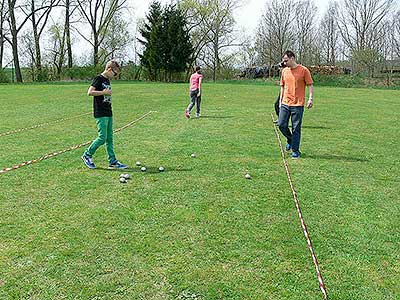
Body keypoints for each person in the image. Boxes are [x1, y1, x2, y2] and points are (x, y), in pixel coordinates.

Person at [81, 60, 128, 169]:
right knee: (102, 137)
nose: (115, 76)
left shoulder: (107, 80)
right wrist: (104, 92)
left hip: (108, 111)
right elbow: (90, 92)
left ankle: (113, 161)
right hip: (100, 112)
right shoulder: (99, 78)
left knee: (109, 138)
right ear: (109, 69)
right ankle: (87, 155)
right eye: (115, 74)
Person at [278, 50, 314, 159]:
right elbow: (282, 86)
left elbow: (310, 85)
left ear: (292, 58)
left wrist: (310, 99)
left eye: (286, 60)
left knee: (296, 128)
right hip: (285, 103)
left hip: (298, 104)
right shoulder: (284, 71)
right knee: (281, 124)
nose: (284, 63)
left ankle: (296, 150)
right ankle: (290, 139)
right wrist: (280, 100)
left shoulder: (304, 70)